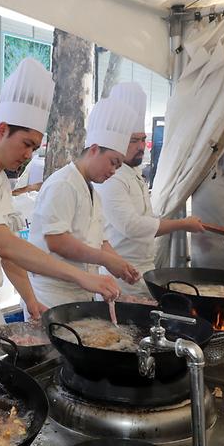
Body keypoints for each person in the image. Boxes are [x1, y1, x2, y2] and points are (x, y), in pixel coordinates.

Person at [0, 58, 120, 347]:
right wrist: (82, 277)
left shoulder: (0, 181)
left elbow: (7, 254)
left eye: (35, 148)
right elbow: (7, 245)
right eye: (26, 144)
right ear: (2, 129)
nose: (29, 155)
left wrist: (30, 299)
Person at [95, 82, 204, 296]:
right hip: (122, 277)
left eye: (143, 139)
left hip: (143, 271)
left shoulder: (134, 173)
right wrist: (182, 223)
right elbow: (131, 226)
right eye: (134, 140)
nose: (141, 146)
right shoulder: (111, 178)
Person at [28, 97, 140, 306]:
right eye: (113, 163)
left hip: (80, 290)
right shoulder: (63, 184)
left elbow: (99, 240)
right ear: (95, 149)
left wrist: (119, 264)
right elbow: (57, 241)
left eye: (118, 166)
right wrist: (105, 259)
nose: (113, 171)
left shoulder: (92, 191)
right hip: (52, 294)